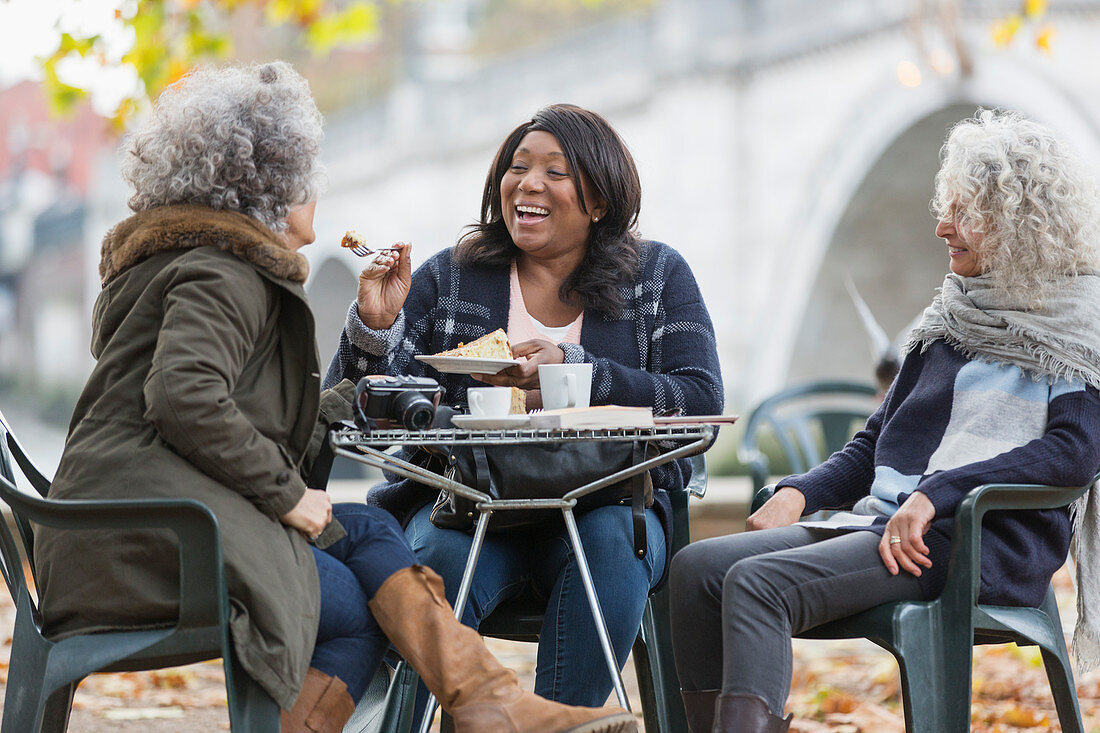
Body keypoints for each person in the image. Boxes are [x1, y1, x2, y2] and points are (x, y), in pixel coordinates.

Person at [32, 63, 637, 733]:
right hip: (147, 541)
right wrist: (288, 497)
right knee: (351, 603)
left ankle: (486, 702)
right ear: (273, 182)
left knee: (370, 530)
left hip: (137, 526)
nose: (317, 187)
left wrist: (365, 369)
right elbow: (184, 398)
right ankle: (487, 703)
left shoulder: (194, 263)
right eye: (309, 171)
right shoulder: (219, 273)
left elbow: (252, 422)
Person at [669, 108, 1100, 733]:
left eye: (966, 213)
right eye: (945, 205)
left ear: (1018, 226)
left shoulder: (1076, 331)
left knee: (758, 585)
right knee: (697, 570)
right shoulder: (947, 321)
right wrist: (801, 490)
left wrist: (940, 494)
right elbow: (875, 443)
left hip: (974, 544)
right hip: (887, 527)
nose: (942, 226)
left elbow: (1075, 453)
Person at [324, 103, 724, 710]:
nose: (528, 183)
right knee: (431, 566)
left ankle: (562, 721)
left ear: (599, 201)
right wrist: (374, 332)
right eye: (518, 167)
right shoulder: (449, 278)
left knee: (613, 549)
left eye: (555, 172)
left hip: (608, 508)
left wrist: (583, 372)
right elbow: (360, 414)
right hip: (464, 508)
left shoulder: (659, 276)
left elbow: (700, 398)